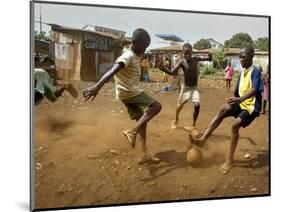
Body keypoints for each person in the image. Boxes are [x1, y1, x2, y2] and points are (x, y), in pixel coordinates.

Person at [83, 28, 162, 164]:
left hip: (125, 93)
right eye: (144, 47)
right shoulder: (128, 56)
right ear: (135, 43)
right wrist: (97, 86)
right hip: (130, 92)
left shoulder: (135, 54)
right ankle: (132, 132)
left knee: (143, 122)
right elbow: (113, 70)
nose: (144, 50)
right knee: (156, 106)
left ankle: (144, 154)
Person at [190, 46, 263, 175]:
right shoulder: (242, 73)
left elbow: (254, 90)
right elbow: (238, 91)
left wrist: (239, 100)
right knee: (223, 109)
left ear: (251, 56)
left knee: (235, 126)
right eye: (240, 57)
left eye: (243, 56)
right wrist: (235, 99)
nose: (241, 59)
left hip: (251, 107)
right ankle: (202, 140)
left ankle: (229, 161)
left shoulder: (255, 71)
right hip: (241, 103)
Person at [159, 43, 212, 135]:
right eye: (185, 53)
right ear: (183, 53)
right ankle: (175, 120)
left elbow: (209, 59)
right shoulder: (181, 62)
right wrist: (163, 69)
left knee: (197, 105)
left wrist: (210, 55)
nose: (187, 55)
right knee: (179, 106)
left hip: (194, 88)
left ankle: (193, 125)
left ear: (191, 52)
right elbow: (173, 73)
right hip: (186, 89)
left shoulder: (196, 59)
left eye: (189, 53)